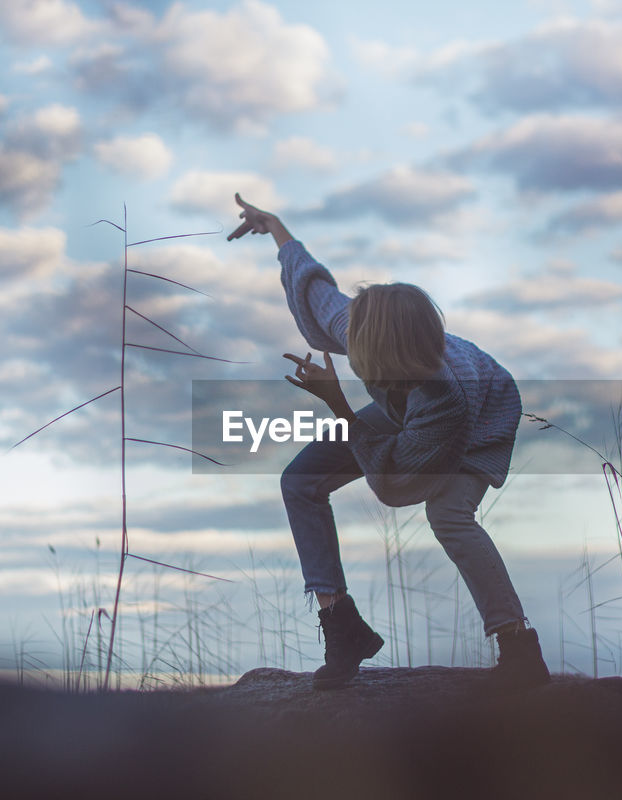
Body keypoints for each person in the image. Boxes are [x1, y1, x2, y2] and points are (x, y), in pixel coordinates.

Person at [228, 193, 549, 691]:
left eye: (358, 342)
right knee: (300, 480)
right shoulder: (360, 326)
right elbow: (317, 293)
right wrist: (276, 228)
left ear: (386, 351)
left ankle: (518, 645)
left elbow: (393, 481)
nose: (347, 339)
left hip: (482, 416)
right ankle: (343, 626)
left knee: (448, 515)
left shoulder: (448, 402)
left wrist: (337, 404)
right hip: (406, 405)